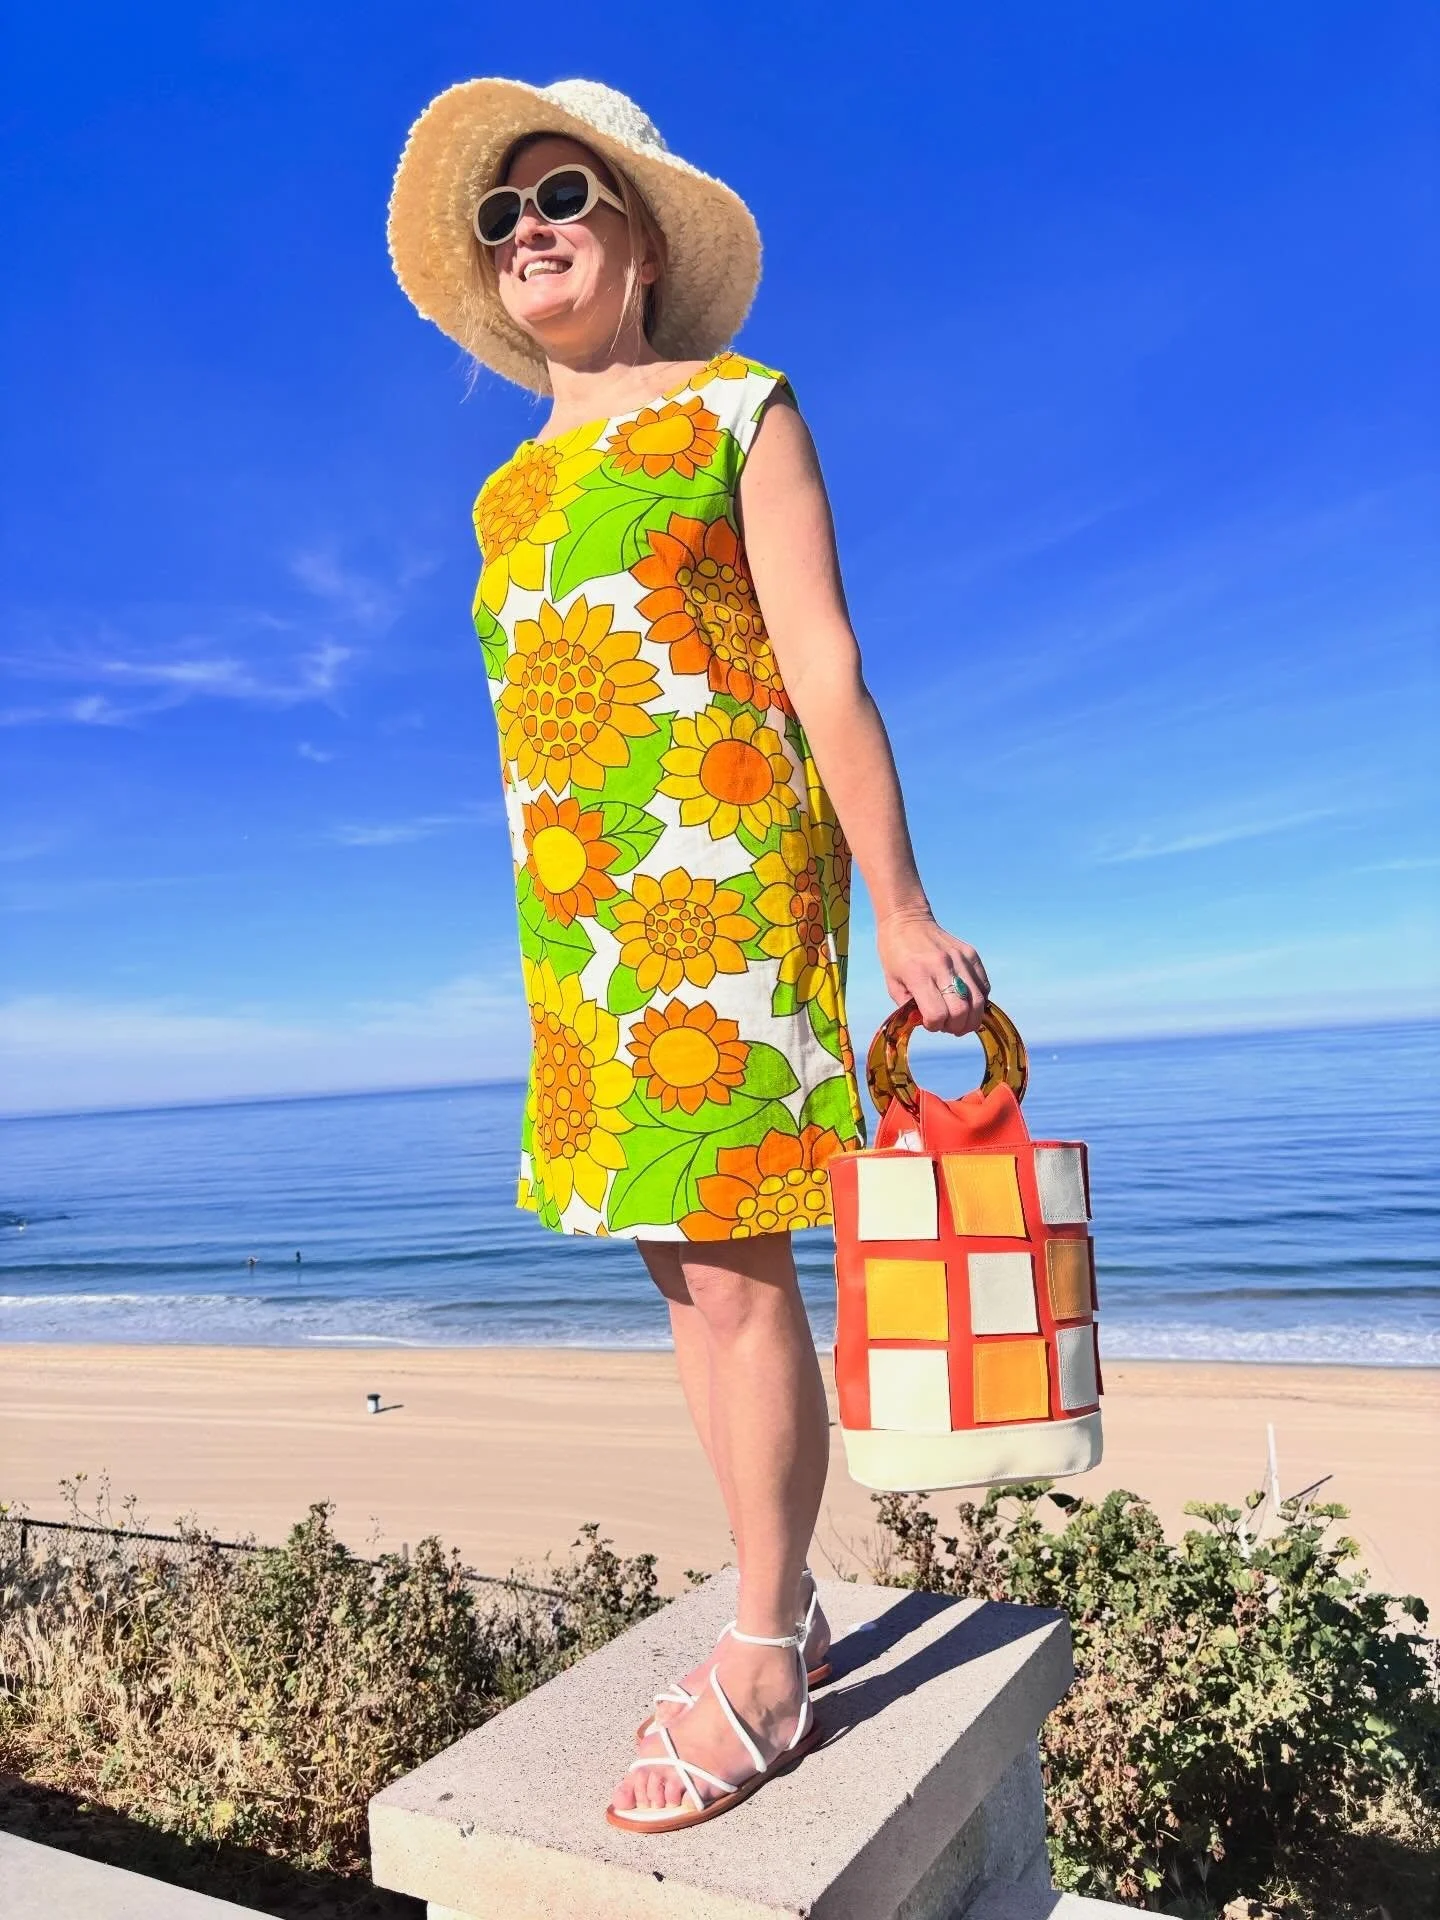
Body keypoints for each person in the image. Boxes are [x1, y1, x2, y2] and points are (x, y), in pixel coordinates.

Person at [388, 77, 990, 1832]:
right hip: (577, 925)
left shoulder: (739, 407)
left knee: (736, 1270)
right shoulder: (506, 495)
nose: (530, 233)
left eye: (562, 195)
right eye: (501, 217)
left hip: (721, 883)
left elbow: (824, 664)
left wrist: (898, 901)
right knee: (680, 1269)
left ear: (642, 241)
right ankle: (774, 1589)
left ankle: (762, 1648)